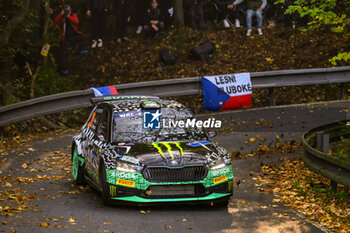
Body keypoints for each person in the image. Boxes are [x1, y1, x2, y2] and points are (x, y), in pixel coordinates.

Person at [54, 5, 88, 75]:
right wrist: (61, 15)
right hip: (65, 38)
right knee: (64, 53)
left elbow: (76, 21)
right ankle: (63, 69)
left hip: (74, 35)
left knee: (84, 37)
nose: (67, 12)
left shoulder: (73, 15)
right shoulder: (61, 18)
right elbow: (55, 22)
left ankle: (80, 50)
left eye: (68, 11)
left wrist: (68, 16)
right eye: (66, 11)